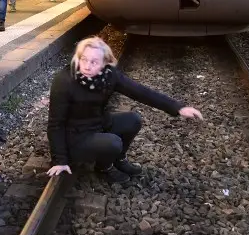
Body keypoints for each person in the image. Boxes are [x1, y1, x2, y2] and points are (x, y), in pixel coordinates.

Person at [46, 37, 203, 183]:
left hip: (98, 124)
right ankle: (104, 168)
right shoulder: (64, 81)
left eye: (94, 62)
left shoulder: (109, 75)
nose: (87, 66)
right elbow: (55, 124)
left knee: (133, 120)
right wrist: (60, 160)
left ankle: (119, 159)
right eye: (84, 59)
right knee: (113, 143)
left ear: (104, 64)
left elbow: (140, 92)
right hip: (74, 137)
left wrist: (177, 107)